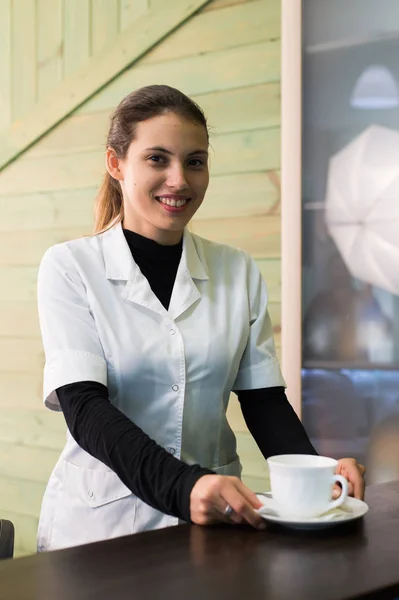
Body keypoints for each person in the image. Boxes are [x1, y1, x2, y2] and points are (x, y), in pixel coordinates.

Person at [36, 85, 365, 551]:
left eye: (195, 160)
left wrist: (318, 477)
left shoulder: (237, 269)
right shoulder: (70, 267)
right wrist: (183, 486)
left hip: (212, 527)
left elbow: (265, 403)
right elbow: (84, 409)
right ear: (116, 164)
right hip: (102, 528)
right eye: (157, 159)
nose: (180, 180)